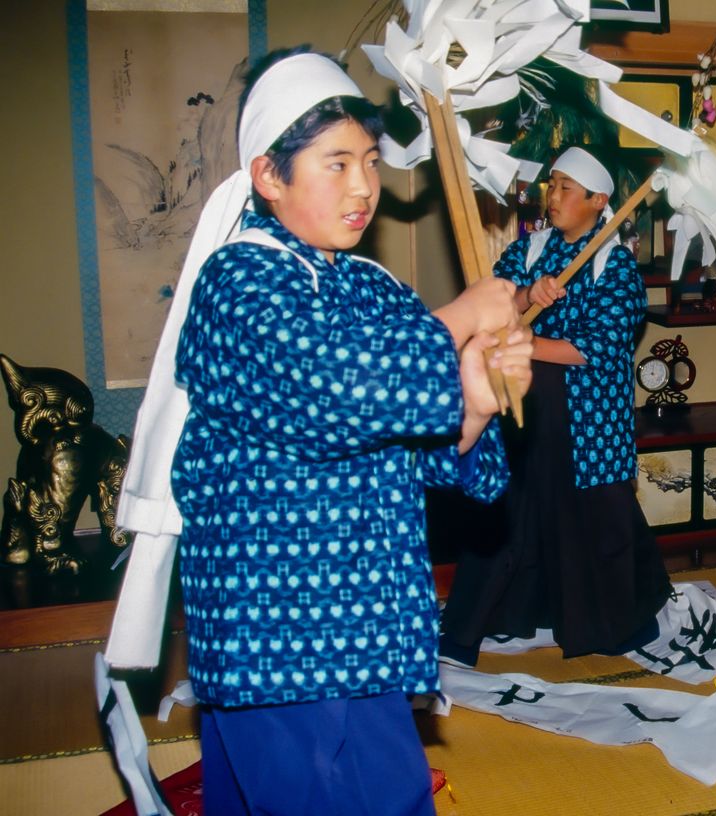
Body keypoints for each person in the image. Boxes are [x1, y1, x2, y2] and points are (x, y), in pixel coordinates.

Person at [108, 48, 531, 815]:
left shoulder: (369, 285)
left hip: (363, 618)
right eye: (335, 164)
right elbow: (337, 387)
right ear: (270, 175)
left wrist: (474, 399)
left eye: (369, 161)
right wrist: (465, 315)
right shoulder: (236, 283)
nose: (365, 185)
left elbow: (424, 444)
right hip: (275, 627)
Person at [440, 146, 671, 663]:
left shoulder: (616, 266)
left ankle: (615, 624)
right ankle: (480, 623)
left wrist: (526, 343)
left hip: (589, 417)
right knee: (508, 510)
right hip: (523, 405)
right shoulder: (530, 250)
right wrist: (525, 297)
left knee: (597, 519)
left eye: (568, 187)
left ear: (598, 200)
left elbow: (598, 346)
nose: (555, 195)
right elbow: (488, 301)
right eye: (553, 184)